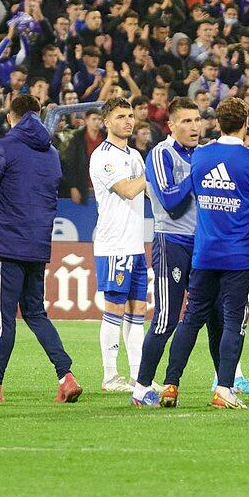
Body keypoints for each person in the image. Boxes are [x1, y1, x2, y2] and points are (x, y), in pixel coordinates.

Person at [0, 94, 82, 405]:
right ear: (37, 116)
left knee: (3, 316)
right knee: (36, 313)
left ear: (12, 116)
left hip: (8, 243)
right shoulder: (51, 153)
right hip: (38, 244)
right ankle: (66, 376)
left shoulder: (2, 147)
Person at [131, 98, 249, 408]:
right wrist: (198, 173)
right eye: (186, 121)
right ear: (171, 126)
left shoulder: (204, 155)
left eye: (197, 120)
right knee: (166, 319)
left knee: (215, 318)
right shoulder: (161, 155)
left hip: (204, 246)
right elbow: (170, 201)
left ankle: (223, 386)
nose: (194, 126)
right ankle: (142, 387)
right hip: (171, 242)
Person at [161, 97, 249, 410]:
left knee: (190, 320)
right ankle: (224, 388)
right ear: (245, 122)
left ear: (217, 123)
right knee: (233, 324)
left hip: (204, 253)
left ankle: (171, 385)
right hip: (239, 257)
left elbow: (195, 193)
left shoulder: (200, 156)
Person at [89, 96, 149, 393]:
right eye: (121, 116)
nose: (128, 120)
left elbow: (150, 194)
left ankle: (139, 376)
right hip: (114, 245)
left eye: (130, 115)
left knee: (138, 309)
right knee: (114, 307)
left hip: (136, 244)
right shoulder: (103, 156)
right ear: (107, 121)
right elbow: (127, 190)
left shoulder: (136, 157)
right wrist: (153, 172)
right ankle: (110, 376)